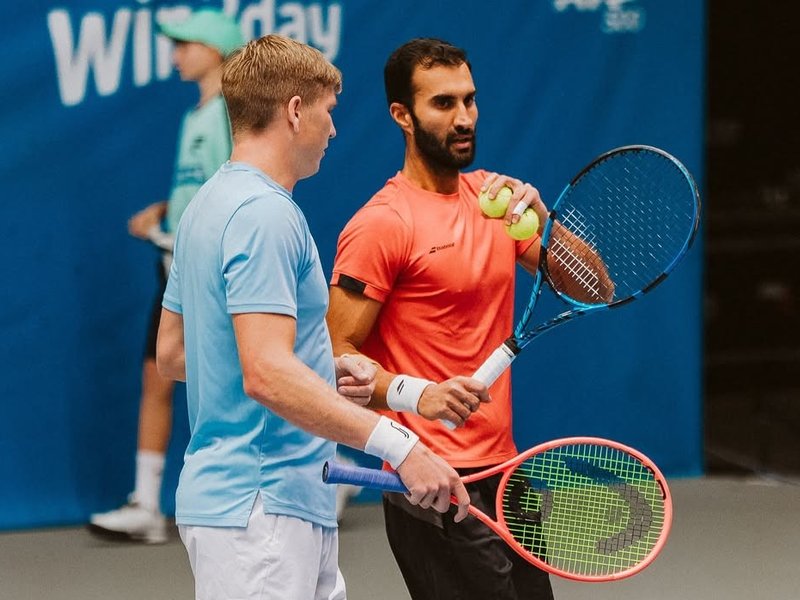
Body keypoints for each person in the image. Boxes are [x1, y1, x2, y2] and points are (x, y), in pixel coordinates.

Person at [155, 34, 471, 600]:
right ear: (295, 111)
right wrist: (403, 447)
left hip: (261, 506)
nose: (333, 129)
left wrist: (320, 374)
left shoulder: (205, 206)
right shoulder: (267, 217)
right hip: (262, 513)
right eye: (329, 111)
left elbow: (178, 356)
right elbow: (266, 374)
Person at [326, 38, 560, 600]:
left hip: (505, 471)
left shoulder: (495, 203)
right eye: (443, 104)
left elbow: (593, 286)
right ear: (402, 116)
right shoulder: (382, 224)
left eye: (470, 101)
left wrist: (545, 223)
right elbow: (334, 360)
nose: (463, 118)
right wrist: (417, 396)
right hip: (432, 481)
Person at [88, 9, 244, 544]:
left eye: (185, 45)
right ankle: (148, 506)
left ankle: (322, 467)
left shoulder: (230, 114)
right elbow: (199, 189)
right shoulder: (196, 115)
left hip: (210, 271)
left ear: (216, 49)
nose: (176, 54)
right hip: (175, 265)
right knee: (157, 375)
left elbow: (234, 189)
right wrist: (165, 212)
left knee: (253, 377)